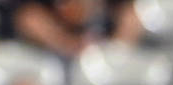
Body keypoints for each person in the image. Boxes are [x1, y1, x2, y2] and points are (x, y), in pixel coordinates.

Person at [12, 0, 141, 59]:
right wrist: (67, 43)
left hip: (104, 55)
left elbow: (132, 16)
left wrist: (113, 52)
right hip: (55, 56)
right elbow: (27, 17)